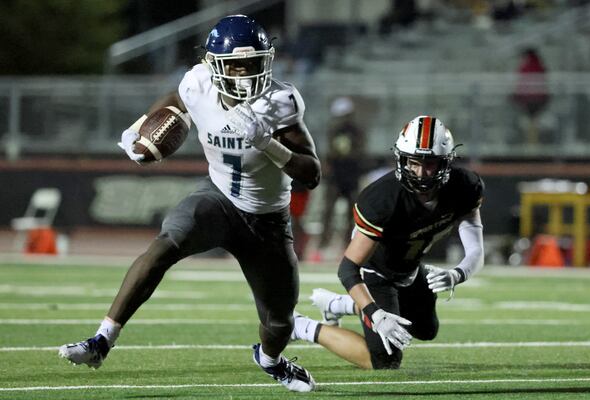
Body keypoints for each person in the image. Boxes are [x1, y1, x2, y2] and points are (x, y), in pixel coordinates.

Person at [58, 15, 320, 393]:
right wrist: (141, 127)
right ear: (214, 65)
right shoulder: (198, 83)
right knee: (166, 244)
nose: (245, 74)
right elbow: (175, 101)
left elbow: (311, 173)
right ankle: (102, 340)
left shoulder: (280, 102)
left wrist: (268, 143)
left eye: (253, 63)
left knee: (279, 322)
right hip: (218, 199)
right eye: (235, 65)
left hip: (267, 219)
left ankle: (270, 360)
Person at [291, 115, 485, 370]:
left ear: (446, 162)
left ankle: (339, 305)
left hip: (411, 268)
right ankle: (301, 326)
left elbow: (476, 249)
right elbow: (348, 268)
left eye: (430, 164)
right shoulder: (382, 199)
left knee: (426, 330)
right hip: (376, 273)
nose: (421, 173)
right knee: (384, 360)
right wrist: (376, 314)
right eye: (414, 162)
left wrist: (457, 275)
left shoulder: (465, 187)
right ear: (401, 159)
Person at [313, 96, 365, 261]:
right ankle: (322, 245)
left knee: (352, 214)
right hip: (335, 178)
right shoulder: (332, 131)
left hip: (349, 177)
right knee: (327, 213)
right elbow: (329, 155)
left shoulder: (356, 132)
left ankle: (348, 245)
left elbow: (358, 153)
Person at [511, 47, 549, 144]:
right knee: (533, 122)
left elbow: (522, 83)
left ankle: (531, 143)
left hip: (529, 98)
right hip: (538, 98)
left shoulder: (526, 66)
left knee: (531, 122)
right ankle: (532, 143)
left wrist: (517, 94)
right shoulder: (540, 65)